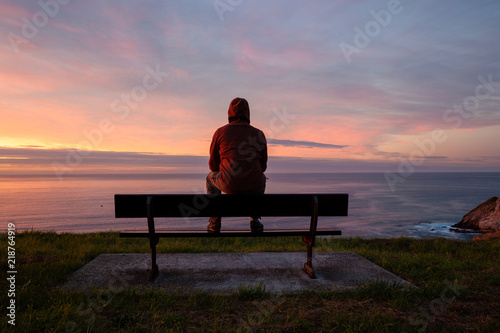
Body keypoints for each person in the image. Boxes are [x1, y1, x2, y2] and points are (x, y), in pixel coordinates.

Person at [206, 97, 268, 233]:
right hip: (254, 186)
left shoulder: (220, 132)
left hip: (229, 184)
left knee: (210, 178)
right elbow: (263, 166)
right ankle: (255, 221)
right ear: (248, 113)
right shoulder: (259, 134)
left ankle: (214, 222)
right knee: (261, 177)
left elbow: (213, 166)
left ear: (229, 113)